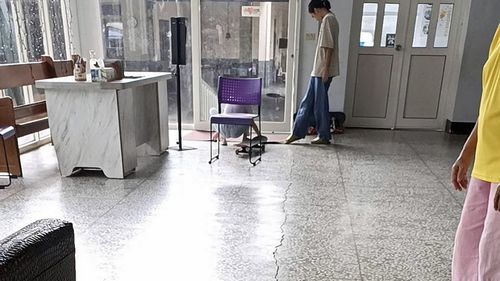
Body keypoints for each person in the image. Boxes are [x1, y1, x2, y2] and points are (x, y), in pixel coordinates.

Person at [451, 25, 500, 280]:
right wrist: (468, 150)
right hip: (485, 162)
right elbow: (489, 100)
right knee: (468, 250)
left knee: (493, 258)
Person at [285, 0, 339, 145]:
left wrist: (325, 69)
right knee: (307, 102)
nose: (314, 18)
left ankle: (324, 136)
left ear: (317, 10)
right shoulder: (330, 19)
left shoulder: (328, 19)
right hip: (318, 69)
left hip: (322, 70)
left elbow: (329, 47)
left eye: (313, 16)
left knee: (319, 104)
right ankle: (297, 132)